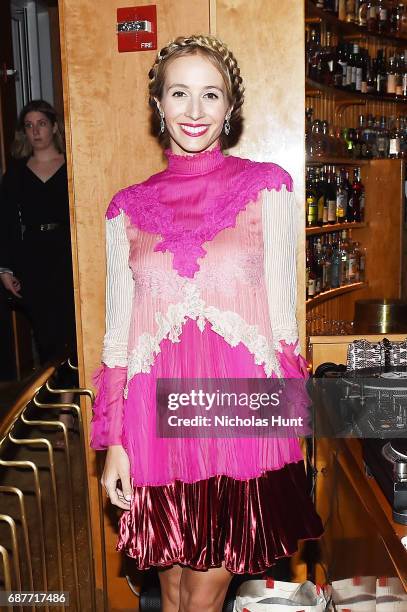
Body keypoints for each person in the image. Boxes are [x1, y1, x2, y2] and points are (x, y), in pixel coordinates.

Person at [91, 35, 324, 612]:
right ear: (159, 105)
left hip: (237, 421)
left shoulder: (267, 186)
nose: (195, 112)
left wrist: (292, 424)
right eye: (179, 94)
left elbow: (283, 320)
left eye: (210, 95)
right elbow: (119, 332)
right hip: (153, 425)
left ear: (230, 107)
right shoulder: (125, 207)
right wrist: (114, 441)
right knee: (169, 593)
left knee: (201, 597)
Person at [0, 100, 77, 390]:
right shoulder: (16, 174)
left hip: (68, 254)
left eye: (41, 123)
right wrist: (4, 268)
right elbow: (6, 224)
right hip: (31, 257)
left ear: (54, 127)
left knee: (70, 331)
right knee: (45, 336)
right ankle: (60, 398)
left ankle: (67, 407)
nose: (36, 130)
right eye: (29, 125)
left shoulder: (71, 166)